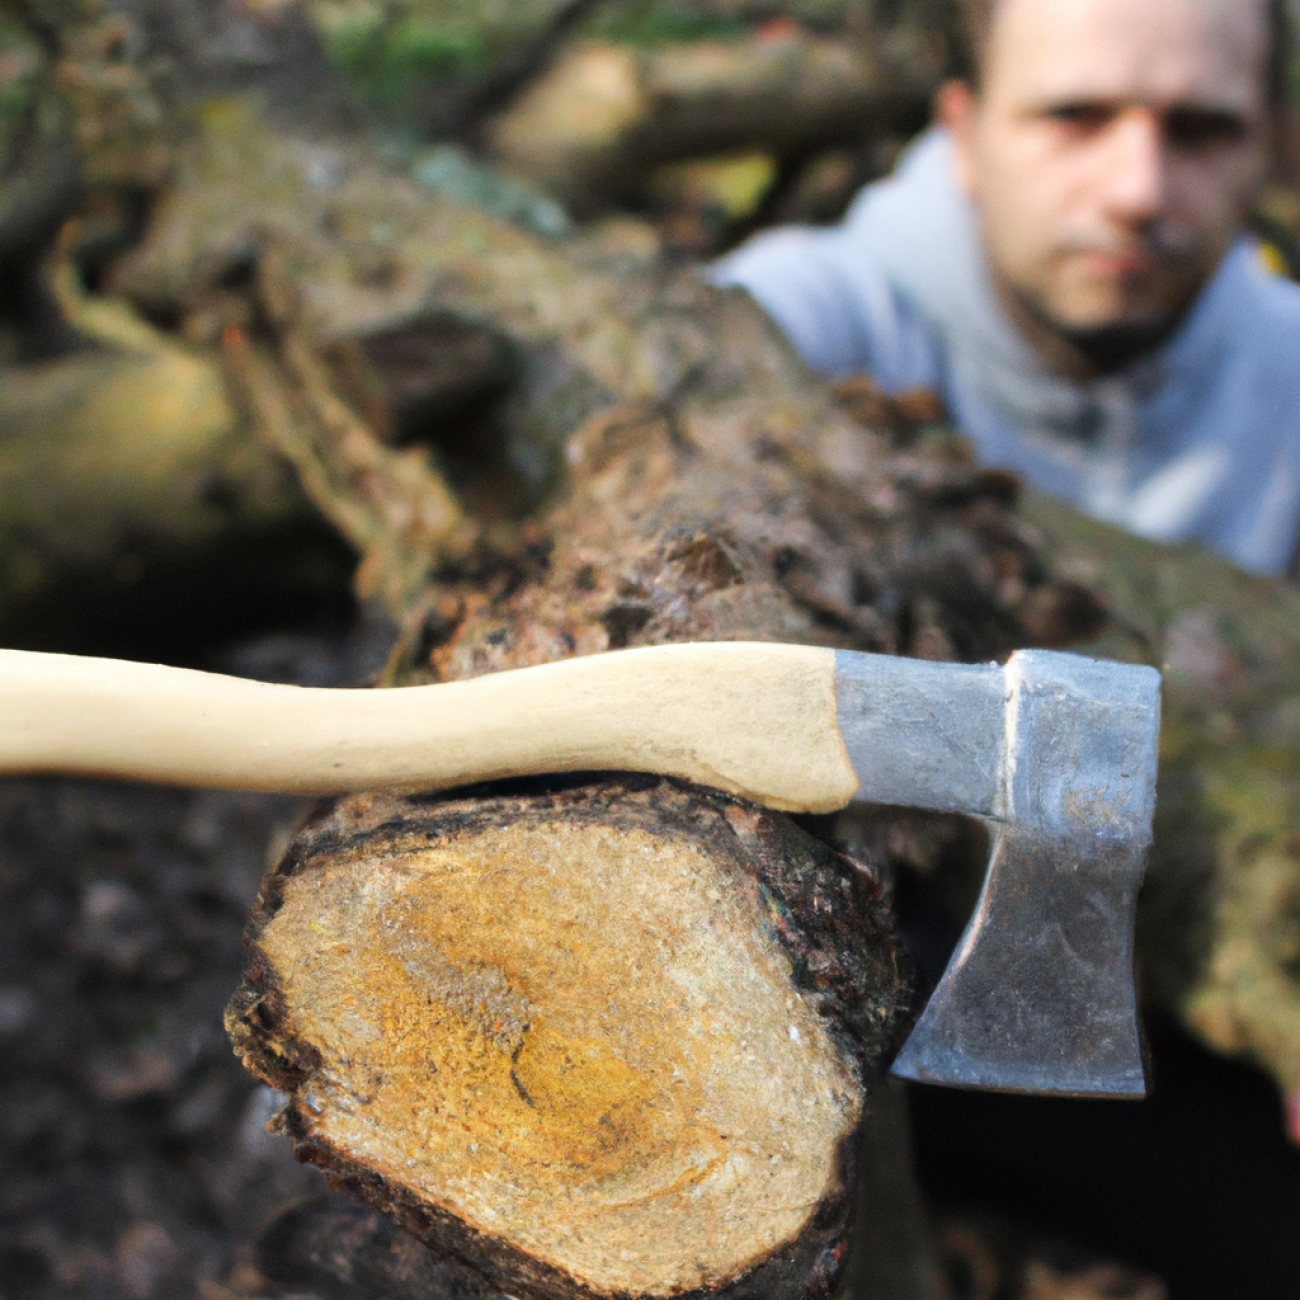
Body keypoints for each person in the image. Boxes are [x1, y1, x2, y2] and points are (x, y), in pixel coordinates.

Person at [709, 0, 1300, 575]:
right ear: (963, 134)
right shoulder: (796, 326)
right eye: (1075, 117)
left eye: (1202, 131)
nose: (1139, 191)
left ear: (1274, 150)